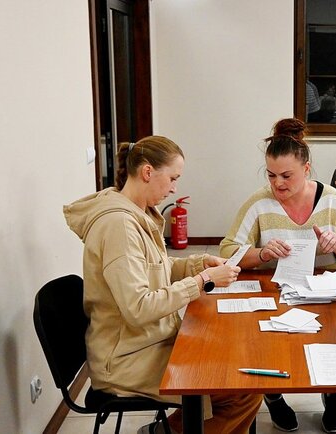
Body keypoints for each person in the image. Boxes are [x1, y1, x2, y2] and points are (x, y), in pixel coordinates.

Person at [63, 136, 262, 434]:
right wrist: (204, 280)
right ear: (147, 172)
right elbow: (139, 308)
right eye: (172, 178)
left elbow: (157, 267)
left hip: (146, 342)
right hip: (126, 360)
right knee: (241, 389)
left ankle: (166, 430)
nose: (174, 189)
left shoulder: (136, 213)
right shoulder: (118, 226)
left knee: (233, 364)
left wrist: (199, 264)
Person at [220, 118, 336, 433]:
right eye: (271, 175)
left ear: (306, 170)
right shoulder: (259, 203)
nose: (277, 184)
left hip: (325, 294)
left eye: (286, 176)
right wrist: (262, 254)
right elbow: (228, 251)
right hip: (274, 292)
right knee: (263, 341)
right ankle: (273, 395)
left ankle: (333, 393)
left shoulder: (332, 201)